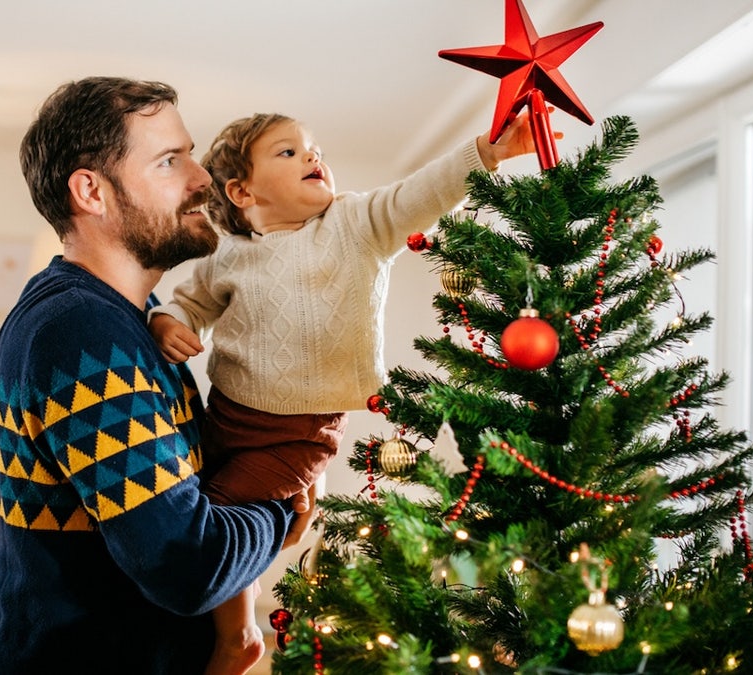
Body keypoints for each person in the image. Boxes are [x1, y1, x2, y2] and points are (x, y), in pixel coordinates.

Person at [148, 111, 539, 674]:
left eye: (313, 148)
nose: (312, 157)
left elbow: (418, 194)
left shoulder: (354, 224)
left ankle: (239, 637)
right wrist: (166, 322)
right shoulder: (224, 253)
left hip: (301, 429)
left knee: (219, 517)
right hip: (227, 415)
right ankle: (287, 515)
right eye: (288, 152)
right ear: (241, 190)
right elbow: (188, 303)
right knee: (207, 498)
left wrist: (488, 151)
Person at [0, 77, 315, 675]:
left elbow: (189, 495)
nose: (202, 176)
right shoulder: (77, 329)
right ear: (91, 192)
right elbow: (188, 566)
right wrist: (284, 512)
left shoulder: (139, 318)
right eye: (169, 160)